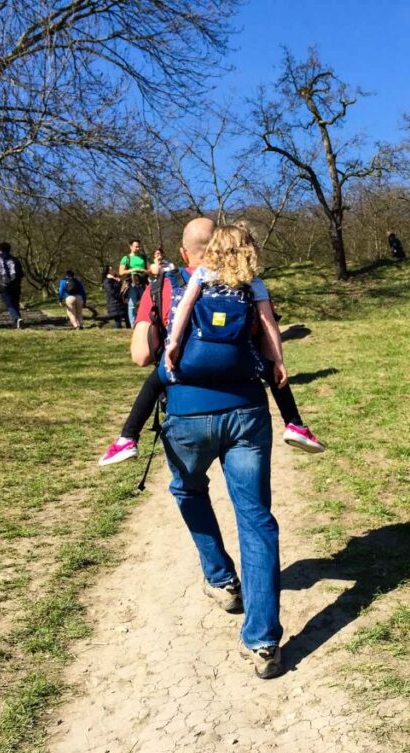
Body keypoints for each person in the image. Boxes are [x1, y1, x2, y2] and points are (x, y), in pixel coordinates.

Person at [128, 217, 283, 679]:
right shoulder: (246, 282)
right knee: (255, 518)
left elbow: (141, 355)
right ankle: (263, 643)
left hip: (187, 415)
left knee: (189, 489)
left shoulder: (163, 288)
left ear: (184, 249)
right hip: (247, 412)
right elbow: (269, 343)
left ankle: (221, 579)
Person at [98, 230, 324, 466]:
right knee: (277, 378)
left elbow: (184, 307)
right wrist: (278, 361)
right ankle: (295, 423)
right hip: (241, 362)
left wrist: (173, 343)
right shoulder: (254, 283)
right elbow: (269, 325)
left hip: (193, 360)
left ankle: (128, 437)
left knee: (156, 380)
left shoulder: (201, 275)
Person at [0, 242, 23, 328]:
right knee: (15, 303)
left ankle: (17, 319)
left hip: (3, 285)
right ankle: (17, 322)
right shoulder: (15, 259)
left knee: (9, 303)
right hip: (16, 285)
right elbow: (21, 273)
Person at [119, 239, 148, 326]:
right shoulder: (126, 258)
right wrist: (133, 270)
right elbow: (121, 272)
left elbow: (149, 269)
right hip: (132, 282)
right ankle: (133, 324)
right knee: (132, 304)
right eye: (136, 246)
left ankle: (144, 321)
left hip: (143, 281)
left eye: (139, 246)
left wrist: (144, 271)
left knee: (145, 302)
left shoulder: (143, 257)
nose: (138, 248)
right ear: (131, 247)